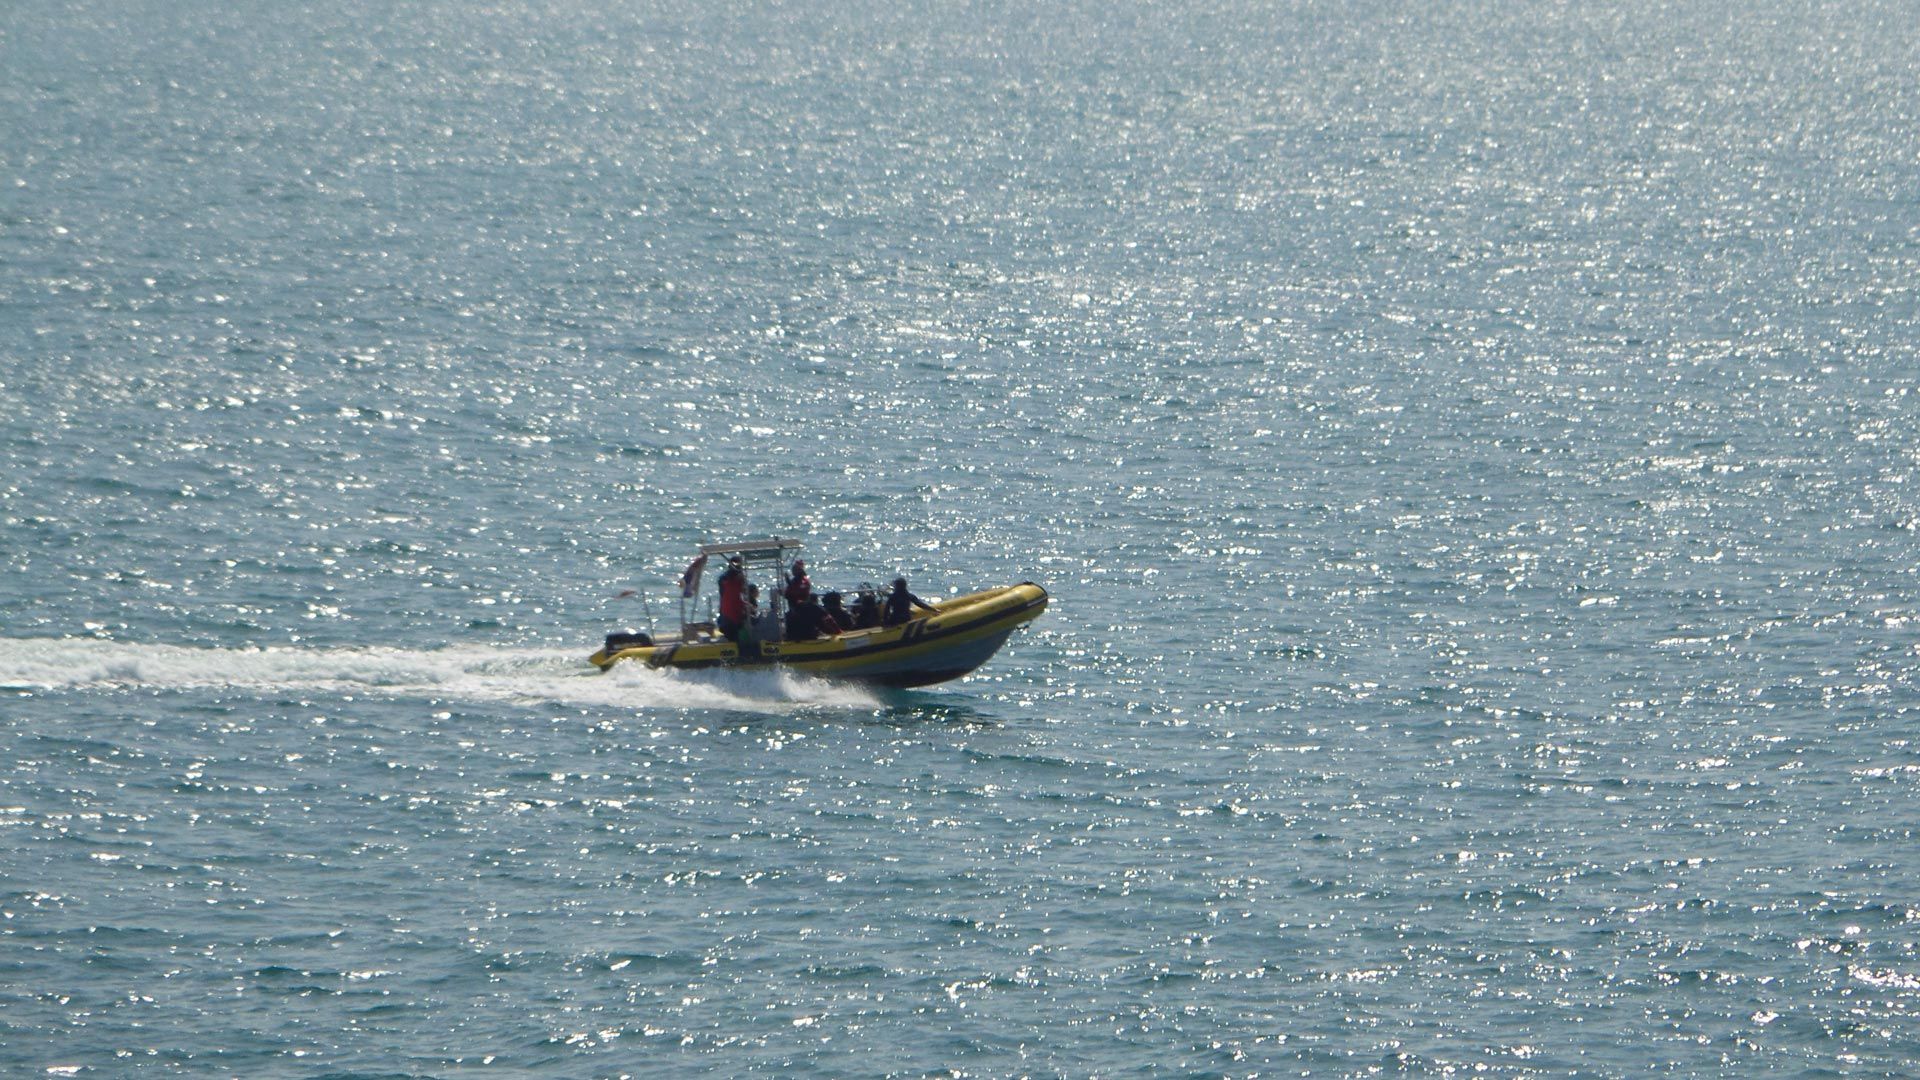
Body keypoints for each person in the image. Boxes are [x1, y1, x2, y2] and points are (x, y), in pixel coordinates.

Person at [716, 556, 749, 642]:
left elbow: (743, 593)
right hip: (731, 612)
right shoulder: (729, 580)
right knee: (733, 630)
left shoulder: (726, 579)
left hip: (730, 609)